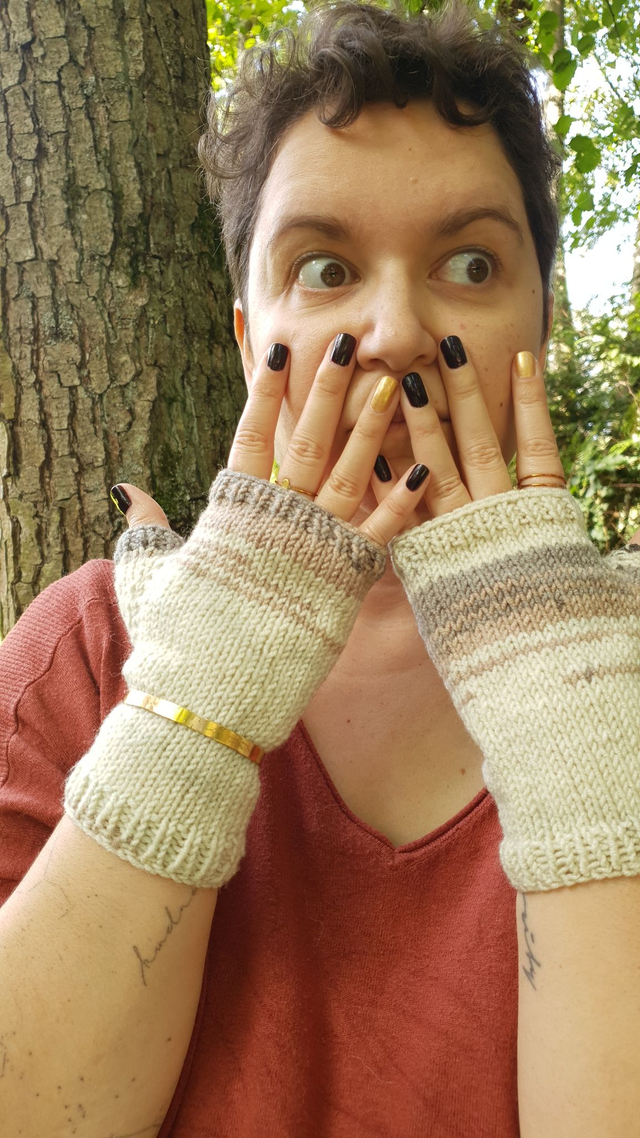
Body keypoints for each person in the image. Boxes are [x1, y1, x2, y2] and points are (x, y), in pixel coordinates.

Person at [1, 2, 640, 1136]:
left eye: (472, 262)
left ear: (540, 323)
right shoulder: (87, 648)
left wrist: (573, 724)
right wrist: (206, 682)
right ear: (249, 338)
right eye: (325, 266)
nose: (394, 329)